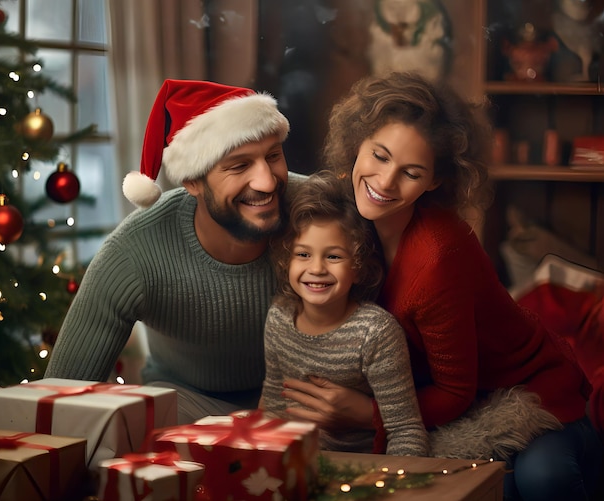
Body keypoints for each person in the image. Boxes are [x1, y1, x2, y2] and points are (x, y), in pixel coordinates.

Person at [281, 71, 603, 500]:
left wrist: (367, 414)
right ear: (358, 142)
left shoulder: (437, 256)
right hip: (442, 405)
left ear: (433, 181)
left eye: (410, 172)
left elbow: (456, 391)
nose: (384, 182)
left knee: (542, 480)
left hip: (525, 391)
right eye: (378, 155)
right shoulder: (343, 212)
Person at [44, 79, 294, 423]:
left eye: (273, 156)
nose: (267, 182)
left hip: (298, 410)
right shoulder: (135, 251)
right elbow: (61, 399)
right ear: (191, 181)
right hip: (182, 413)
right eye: (239, 165)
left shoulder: (318, 212)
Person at [259, 170, 429, 456]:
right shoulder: (279, 317)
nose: (316, 269)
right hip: (294, 467)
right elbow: (274, 406)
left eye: (334, 256)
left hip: (360, 470)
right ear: (286, 259)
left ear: (359, 266)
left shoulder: (375, 332)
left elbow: (406, 430)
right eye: (303, 254)